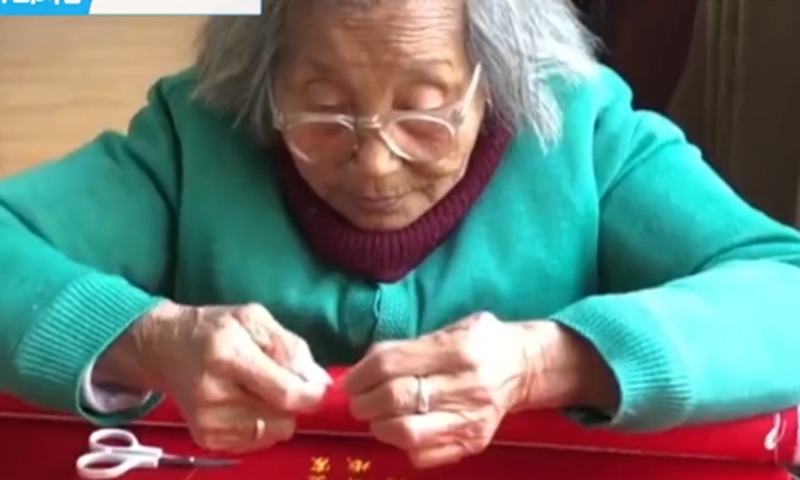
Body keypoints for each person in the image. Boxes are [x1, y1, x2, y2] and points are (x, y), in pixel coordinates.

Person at [2, 0, 800, 469]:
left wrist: (550, 361)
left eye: (425, 112)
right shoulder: (200, 130)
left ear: (502, 77)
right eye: (321, 113)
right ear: (261, 78)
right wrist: (147, 337)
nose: (375, 165)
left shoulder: (581, 129)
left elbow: (785, 295)